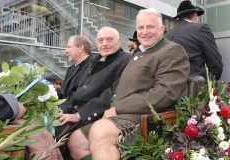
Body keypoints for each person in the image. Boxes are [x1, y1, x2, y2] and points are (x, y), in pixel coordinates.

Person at [67, 8, 190, 160]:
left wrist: (118, 108)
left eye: (150, 27)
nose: (144, 32)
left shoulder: (172, 50)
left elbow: (164, 94)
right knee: (76, 141)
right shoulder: (139, 54)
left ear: (162, 29)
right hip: (122, 115)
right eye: (140, 27)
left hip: (148, 118)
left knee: (100, 132)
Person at [56, 26, 132, 159]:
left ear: (119, 42)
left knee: (69, 141)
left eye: (109, 40)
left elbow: (111, 94)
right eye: (101, 40)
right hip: (79, 112)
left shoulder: (126, 60)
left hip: (99, 115)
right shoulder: (94, 61)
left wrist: (80, 115)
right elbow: (78, 93)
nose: (104, 44)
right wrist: (59, 109)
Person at [165, 0, 223, 81]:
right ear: (195, 15)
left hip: (173, 86)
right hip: (197, 86)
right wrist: (213, 81)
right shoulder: (201, 28)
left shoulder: (167, 35)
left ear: (179, 18)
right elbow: (216, 62)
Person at [58, 35, 93, 100]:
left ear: (80, 48)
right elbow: (63, 93)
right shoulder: (71, 69)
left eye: (69, 47)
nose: (66, 51)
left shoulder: (93, 67)